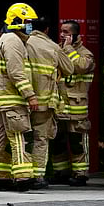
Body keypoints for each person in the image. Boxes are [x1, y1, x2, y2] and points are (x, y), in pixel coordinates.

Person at [0, 3, 39, 192]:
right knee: (19, 136)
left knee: (3, 138)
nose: (30, 27)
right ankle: (23, 177)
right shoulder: (13, 41)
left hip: (3, 100)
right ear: (17, 22)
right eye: (28, 23)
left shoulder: (7, 39)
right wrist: (30, 95)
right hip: (12, 101)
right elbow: (16, 72)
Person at [26, 17, 74, 189]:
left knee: (22, 139)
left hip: (23, 100)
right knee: (41, 138)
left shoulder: (23, 43)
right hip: (44, 103)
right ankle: (37, 176)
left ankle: (21, 174)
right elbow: (69, 68)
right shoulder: (53, 46)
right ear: (46, 30)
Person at [51, 20, 95, 186]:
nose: (62, 35)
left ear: (76, 34)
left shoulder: (86, 54)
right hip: (60, 106)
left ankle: (80, 174)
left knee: (77, 143)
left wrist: (68, 49)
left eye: (66, 32)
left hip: (77, 108)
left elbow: (81, 66)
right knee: (58, 141)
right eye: (61, 31)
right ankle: (60, 172)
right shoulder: (57, 50)